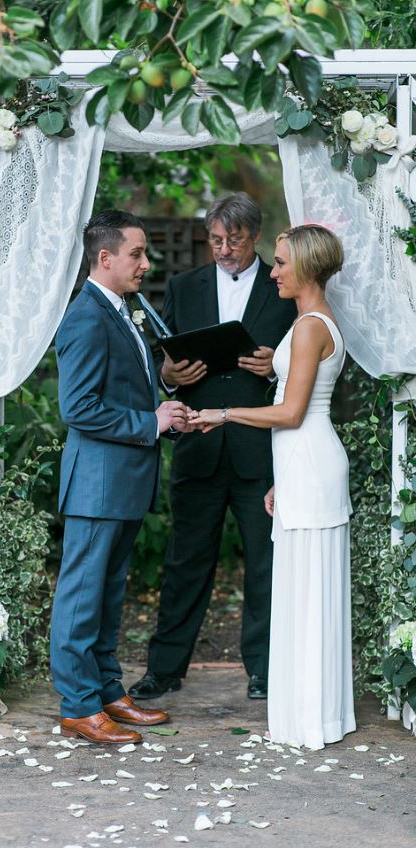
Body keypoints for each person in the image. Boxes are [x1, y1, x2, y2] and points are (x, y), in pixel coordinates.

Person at [191, 224, 356, 749]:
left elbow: (291, 412)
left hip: (310, 459)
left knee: (308, 589)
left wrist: (221, 413)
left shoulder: (309, 326)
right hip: (302, 465)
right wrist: (281, 480)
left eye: (281, 262)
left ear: (305, 267)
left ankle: (311, 718)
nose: (274, 270)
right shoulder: (311, 321)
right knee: (304, 587)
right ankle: (317, 712)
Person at [129, 193, 296, 703]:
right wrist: (168, 375)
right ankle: (165, 668)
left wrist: (276, 367)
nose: (224, 249)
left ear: (255, 235)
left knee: (267, 566)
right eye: (217, 240)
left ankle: (264, 670)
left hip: (261, 450)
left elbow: (303, 366)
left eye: (235, 240)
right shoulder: (184, 286)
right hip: (198, 446)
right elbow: (167, 364)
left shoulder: (283, 288)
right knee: (184, 563)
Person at [51, 210, 194, 744]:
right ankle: (78, 706)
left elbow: (123, 394)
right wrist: (149, 422)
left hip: (124, 482)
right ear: (105, 258)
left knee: (108, 598)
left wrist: (167, 414)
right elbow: (79, 407)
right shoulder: (86, 315)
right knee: (81, 598)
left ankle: (108, 692)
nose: (145, 263)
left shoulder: (123, 309)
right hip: (97, 484)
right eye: (136, 253)